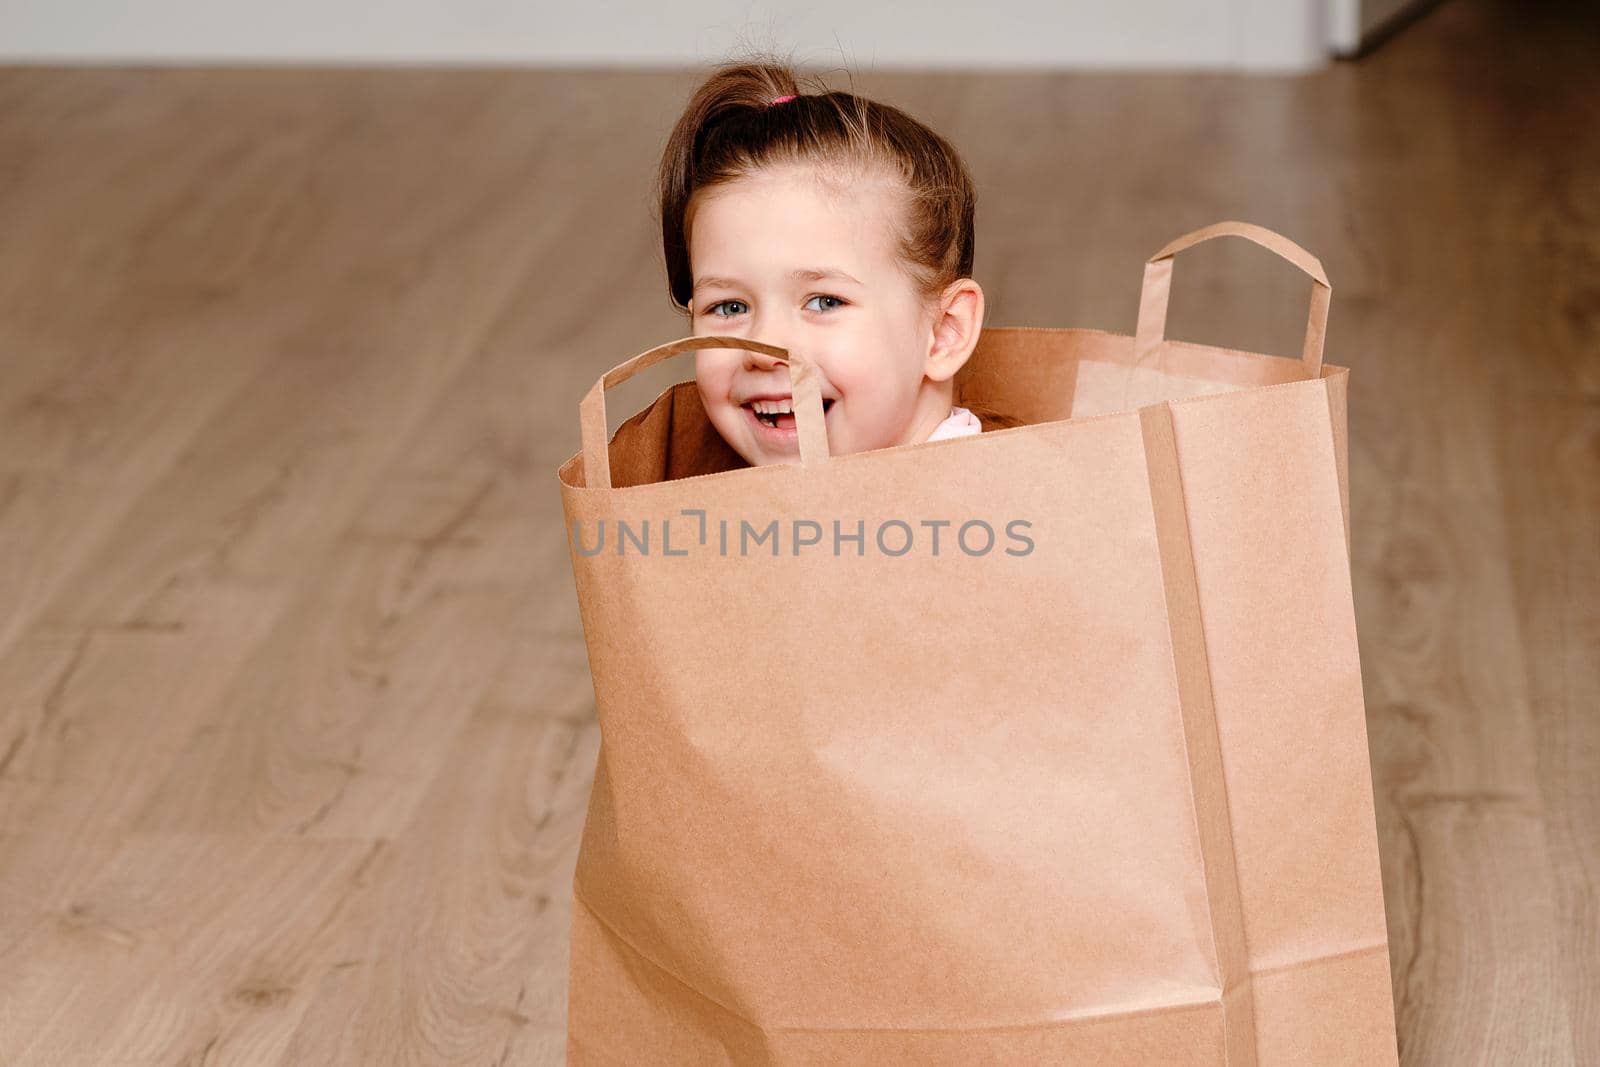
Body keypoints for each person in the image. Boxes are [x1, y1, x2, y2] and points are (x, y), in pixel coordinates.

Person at [653, 57, 1020, 468]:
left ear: (944, 331)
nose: (765, 348)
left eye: (824, 301)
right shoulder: (728, 511)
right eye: (729, 307)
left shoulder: (997, 517)